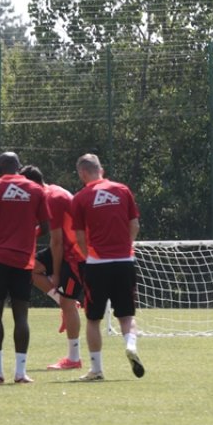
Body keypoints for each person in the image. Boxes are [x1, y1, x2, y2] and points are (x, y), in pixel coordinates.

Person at [0, 152, 52, 385]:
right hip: (23, 260)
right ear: (18, 167)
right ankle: (20, 372)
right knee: (21, 314)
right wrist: (27, 234)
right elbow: (46, 227)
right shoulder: (36, 190)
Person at [71, 153, 144, 381]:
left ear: (83, 173)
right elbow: (134, 225)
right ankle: (130, 345)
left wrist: (88, 256)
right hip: (124, 261)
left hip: (97, 264)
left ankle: (96, 369)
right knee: (126, 315)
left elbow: (80, 236)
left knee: (93, 318)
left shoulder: (81, 198)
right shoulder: (123, 190)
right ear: (100, 169)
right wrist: (126, 247)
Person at [20, 165, 86, 371]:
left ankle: (74, 358)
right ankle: (65, 302)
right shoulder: (50, 192)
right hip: (66, 246)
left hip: (74, 253)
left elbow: (56, 241)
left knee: (67, 301)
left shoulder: (52, 198)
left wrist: (56, 274)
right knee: (30, 266)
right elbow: (48, 230)